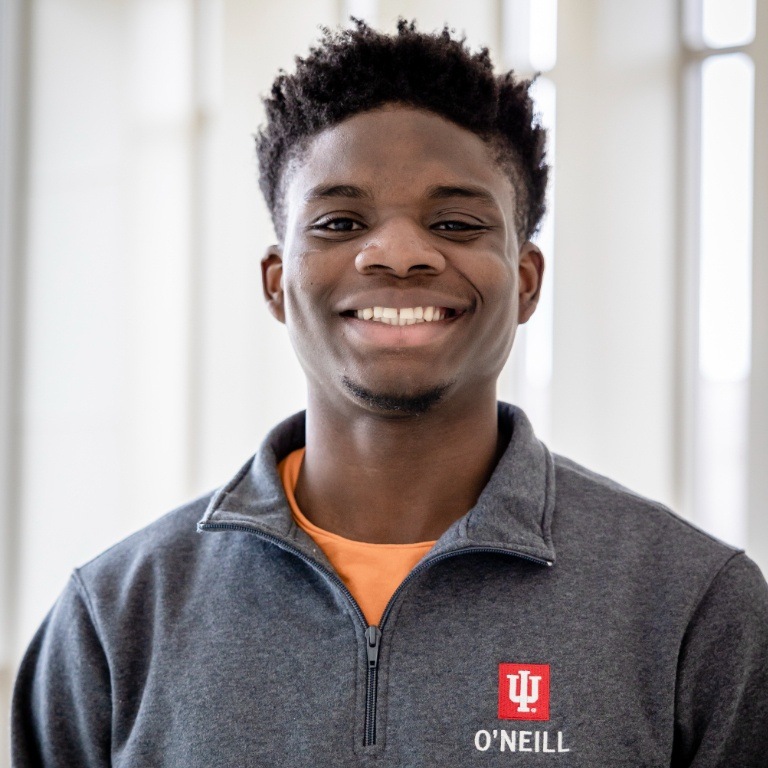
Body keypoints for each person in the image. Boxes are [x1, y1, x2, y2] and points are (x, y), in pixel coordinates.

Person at [11, 19, 768, 767]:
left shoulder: (694, 610)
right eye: (340, 222)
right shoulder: (113, 620)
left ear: (526, 282)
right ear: (276, 283)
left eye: (456, 222)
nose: (398, 254)